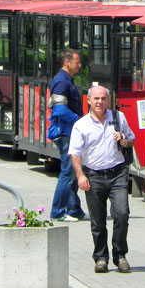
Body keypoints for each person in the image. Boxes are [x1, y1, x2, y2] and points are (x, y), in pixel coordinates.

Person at [69, 85, 136, 273]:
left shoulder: (118, 118)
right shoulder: (81, 125)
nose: (99, 102)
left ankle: (120, 255)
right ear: (89, 100)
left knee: (121, 213)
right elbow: (75, 154)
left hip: (118, 173)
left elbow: (132, 140)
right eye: (96, 99)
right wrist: (80, 176)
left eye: (103, 98)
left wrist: (123, 139)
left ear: (108, 100)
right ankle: (101, 257)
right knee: (98, 221)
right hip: (93, 175)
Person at [48, 49, 86, 222]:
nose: (79, 66)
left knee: (71, 172)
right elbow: (60, 110)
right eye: (77, 62)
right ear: (67, 62)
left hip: (68, 132)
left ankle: (73, 209)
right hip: (66, 133)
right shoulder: (62, 82)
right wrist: (80, 121)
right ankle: (58, 212)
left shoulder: (64, 80)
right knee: (68, 172)